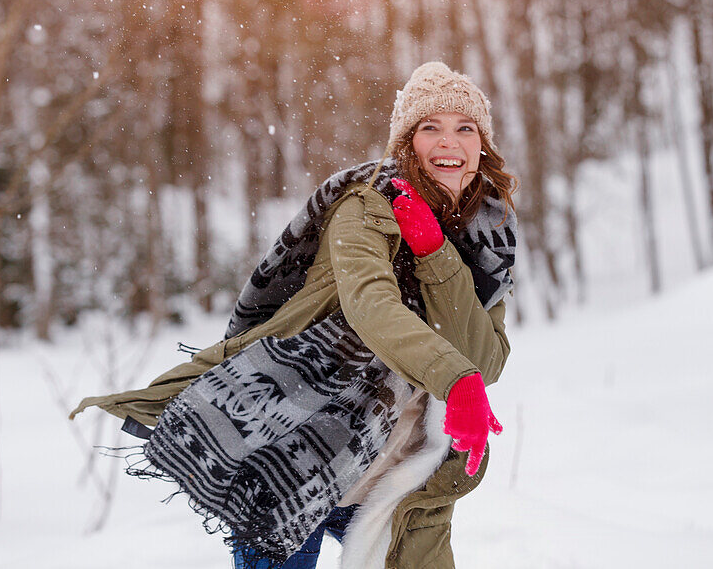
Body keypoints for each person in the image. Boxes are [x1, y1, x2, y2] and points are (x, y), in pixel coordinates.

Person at [71, 61, 518, 569]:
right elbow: (370, 304)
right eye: (429, 127)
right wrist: (456, 379)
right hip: (299, 441)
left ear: (482, 143)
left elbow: (487, 357)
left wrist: (436, 253)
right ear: (406, 142)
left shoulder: (489, 237)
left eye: (465, 128)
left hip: (395, 468)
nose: (448, 142)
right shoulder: (366, 204)